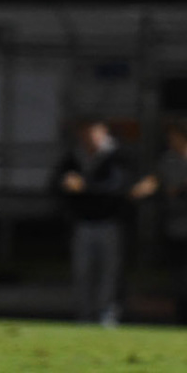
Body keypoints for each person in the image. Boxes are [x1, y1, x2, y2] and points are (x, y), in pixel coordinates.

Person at [52, 119, 136, 326]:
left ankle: (107, 314)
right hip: (83, 223)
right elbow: (55, 183)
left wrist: (85, 186)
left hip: (109, 223)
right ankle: (85, 314)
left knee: (109, 272)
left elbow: (117, 187)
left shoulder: (117, 156)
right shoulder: (75, 157)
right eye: (85, 134)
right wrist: (66, 184)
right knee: (83, 271)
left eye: (93, 133)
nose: (89, 138)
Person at [136, 121, 187, 324]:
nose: (171, 141)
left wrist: (179, 189)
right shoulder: (168, 160)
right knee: (177, 276)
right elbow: (161, 185)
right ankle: (180, 317)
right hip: (174, 226)